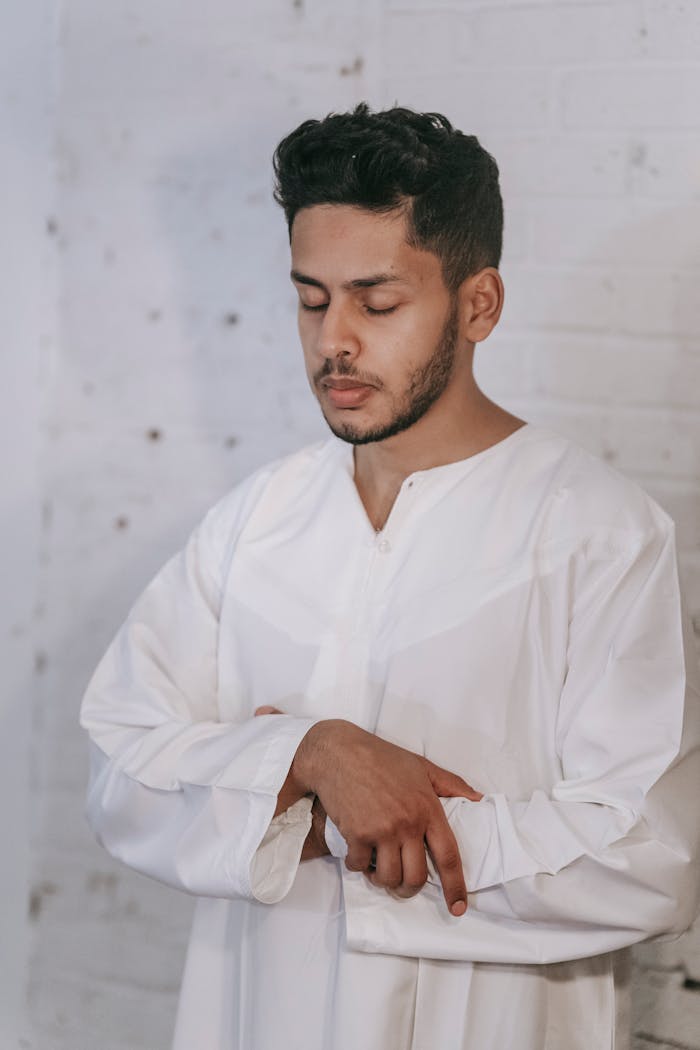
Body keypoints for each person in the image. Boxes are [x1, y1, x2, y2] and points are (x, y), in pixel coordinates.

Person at [80, 104, 700, 1050]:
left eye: (376, 304)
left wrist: (333, 822)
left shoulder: (599, 534)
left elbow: (654, 856)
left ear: (479, 304)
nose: (334, 340)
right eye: (311, 299)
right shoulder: (255, 520)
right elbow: (120, 764)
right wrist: (310, 756)